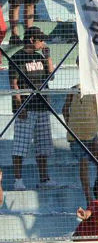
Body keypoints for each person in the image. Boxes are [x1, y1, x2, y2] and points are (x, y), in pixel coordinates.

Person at [9, 26, 55, 190]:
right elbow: (14, 84)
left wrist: (48, 57)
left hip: (42, 106)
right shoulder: (17, 57)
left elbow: (51, 76)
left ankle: (44, 178)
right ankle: (18, 180)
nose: (43, 43)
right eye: (40, 40)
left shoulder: (40, 57)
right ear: (31, 40)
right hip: (26, 107)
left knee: (43, 145)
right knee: (20, 145)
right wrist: (19, 105)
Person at [61, 84, 98, 200]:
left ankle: (90, 197)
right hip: (89, 131)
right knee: (97, 161)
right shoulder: (94, 89)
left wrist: (70, 126)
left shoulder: (74, 89)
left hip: (79, 133)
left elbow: (65, 110)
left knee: (85, 164)